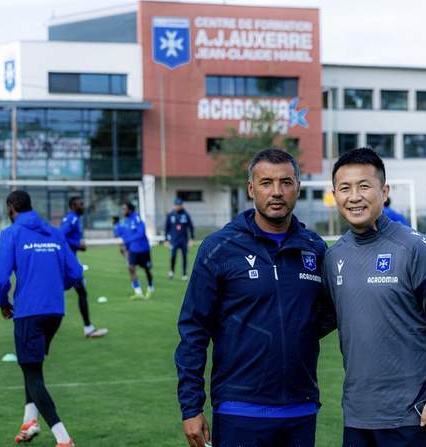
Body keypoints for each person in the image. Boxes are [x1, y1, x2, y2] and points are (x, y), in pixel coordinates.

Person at [175, 148, 334, 447]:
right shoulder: (219, 248)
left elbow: (329, 312)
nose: (277, 192)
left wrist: (294, 329)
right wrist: (191, 407)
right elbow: (194, 330)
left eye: (286, 182)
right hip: (239, 409)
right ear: (251, 188)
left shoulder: (314, 248)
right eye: (266, 183)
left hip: (300, 407)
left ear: (298, 188)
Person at [323, 148, 426, 446]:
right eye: (345, 188)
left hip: (415, 415)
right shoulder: (334, 256)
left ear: (384, 192)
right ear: (335, 195)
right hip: (357, 417)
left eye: (364, 186)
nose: (354, 197)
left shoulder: (414, 248)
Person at [0, 190, 80, 447]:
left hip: (29, 312)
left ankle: (63, 438)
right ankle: (29, 421)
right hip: (55, 312)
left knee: (31, 371)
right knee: (32, 366)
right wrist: (56, 287)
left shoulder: (11, 233)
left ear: (11, 207)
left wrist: (3, 303)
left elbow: (1, 279)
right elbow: (76, 273)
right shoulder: (54, 232)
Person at [60, 197, 107, 338]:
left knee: (78, 291)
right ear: (73, 206)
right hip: (67, 262)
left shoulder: (75, 218)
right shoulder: (72, 219)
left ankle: (88, 328)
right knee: (80, 292)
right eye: (80, 204)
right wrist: (77, 244)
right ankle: (88, 328)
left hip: (69, 260)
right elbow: (60, 235)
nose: (83, 206)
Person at [120, 202, 154, 299]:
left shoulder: (137, 218)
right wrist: (125, 247)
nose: (122, 211)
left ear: (130, 210)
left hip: (143, 249)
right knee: (131, 268)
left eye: (124, 209)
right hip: (133, 250)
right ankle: (138, 292)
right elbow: (125, 235)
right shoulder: (125, 221)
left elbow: (141, 233)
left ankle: (150, 288)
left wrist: (128, 240)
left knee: (147, 270)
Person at [165, 198, 195, 280]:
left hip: (183, 239)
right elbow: (167, 227)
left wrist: (192, 238)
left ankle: (184, 274)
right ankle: (171, 271)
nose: (177, 206)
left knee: (184, 256)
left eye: (179, 205)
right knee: (173, 255)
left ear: (182, 205)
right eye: (176, 205)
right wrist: (166, 239)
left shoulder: (186, 215)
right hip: (174, 239)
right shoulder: (171, 215)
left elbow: (191, 227)